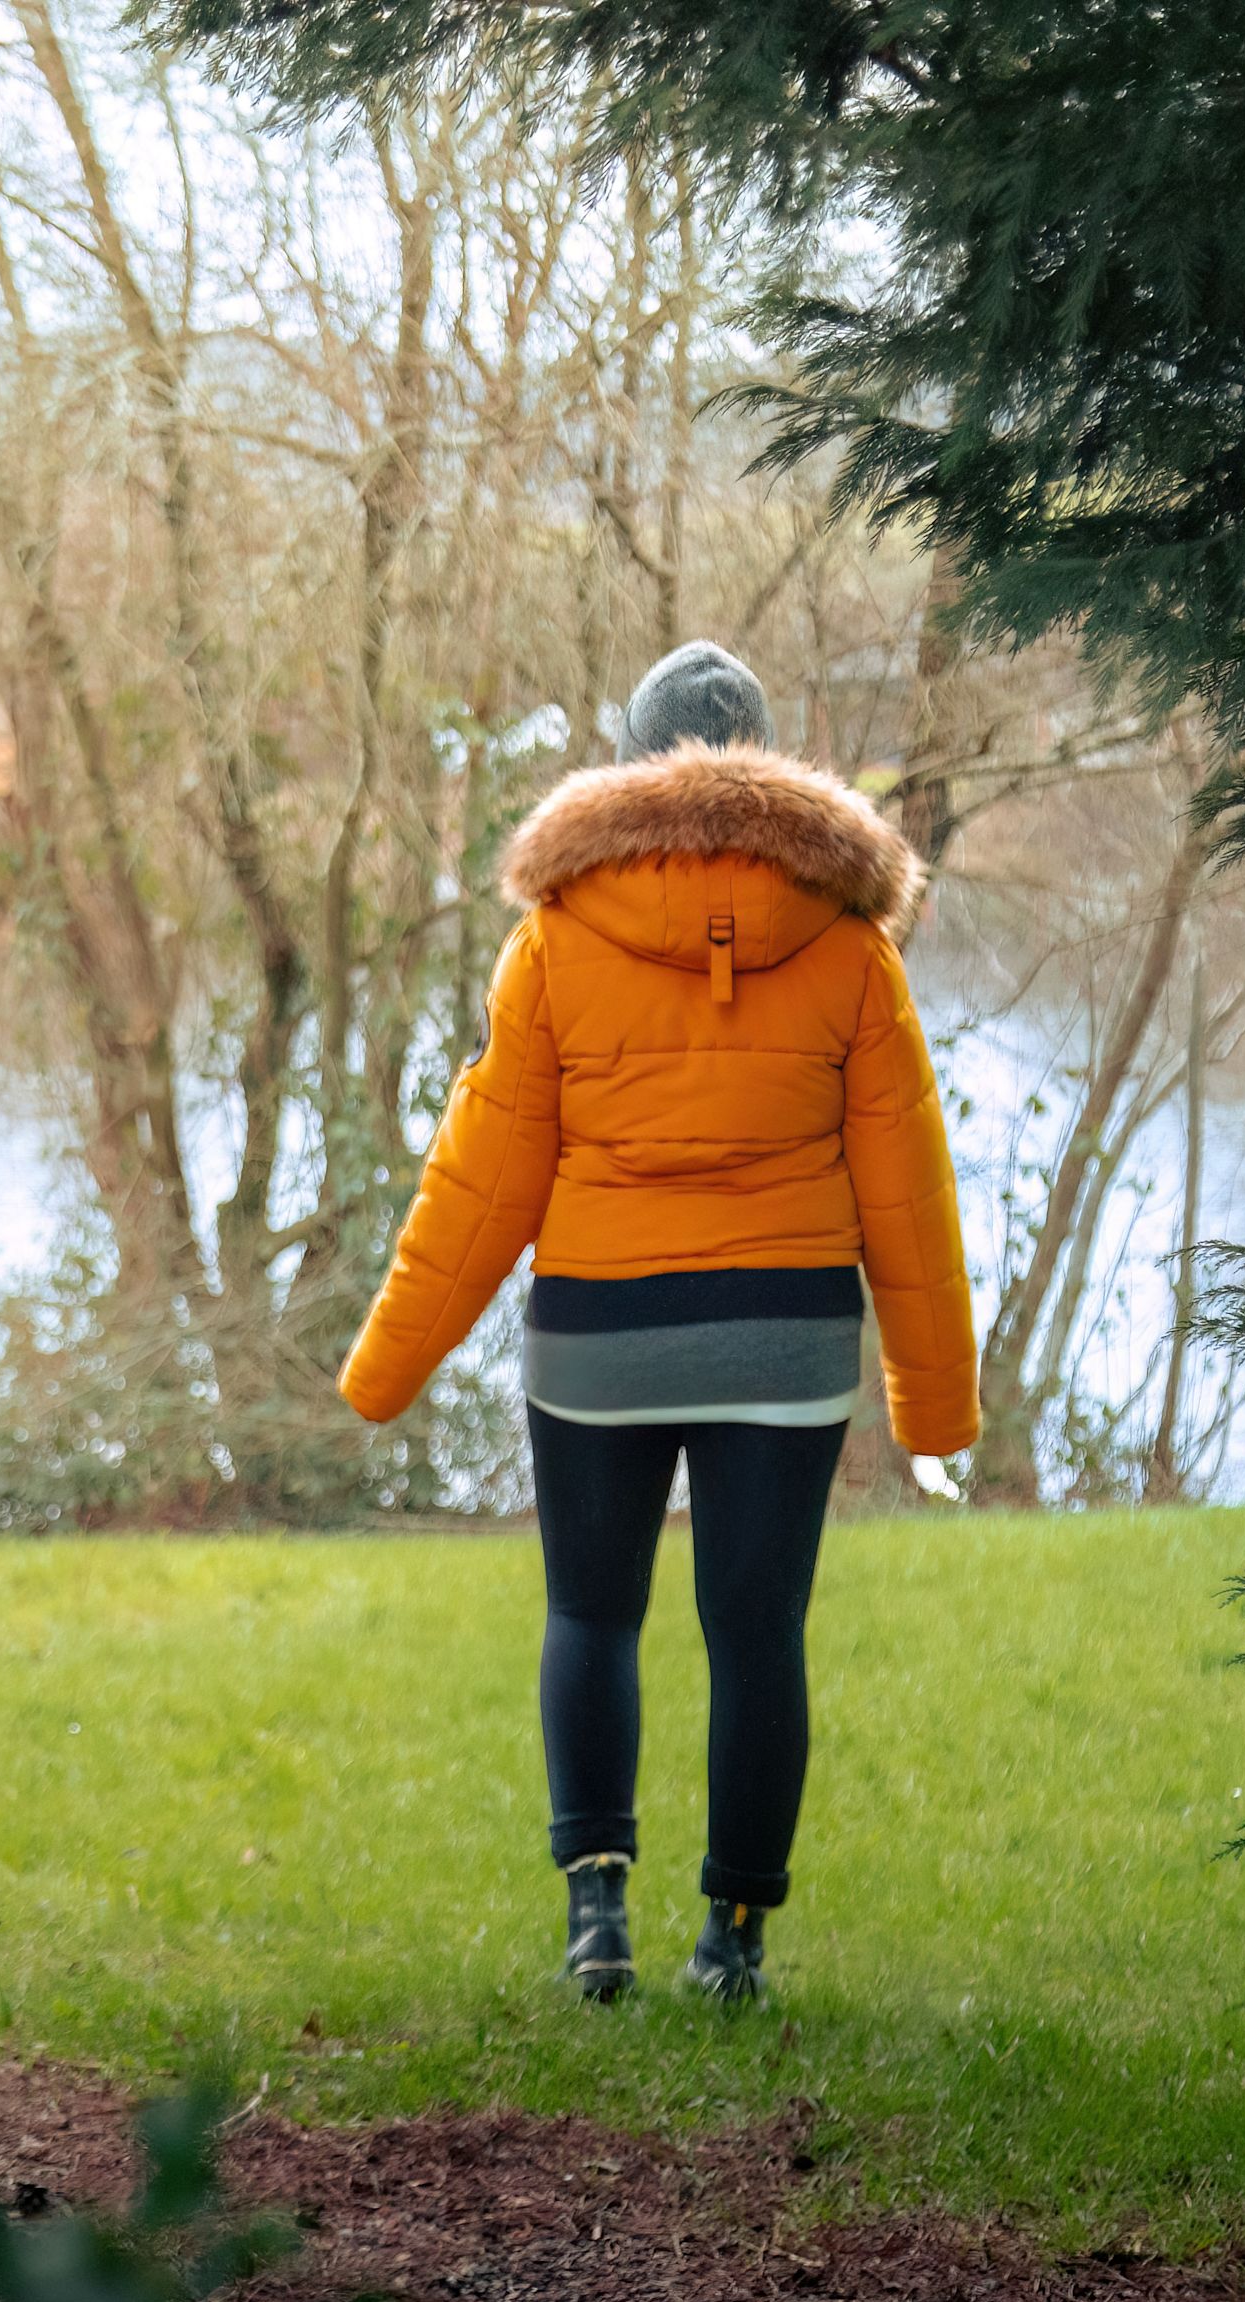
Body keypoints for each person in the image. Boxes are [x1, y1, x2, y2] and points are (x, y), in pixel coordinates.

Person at [339, 642, 980, 2006]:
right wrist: (935, 1410)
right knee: (759, 1638)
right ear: (765, 769)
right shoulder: (857, 951)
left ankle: (596, 1917)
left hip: (599, 1335)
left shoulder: (558, 938)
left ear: (636, 769)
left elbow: (485, 1174)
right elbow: (909, 1199)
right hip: (784, 1338)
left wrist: (387, 1367)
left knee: (590, 1612)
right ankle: (735, 1943)